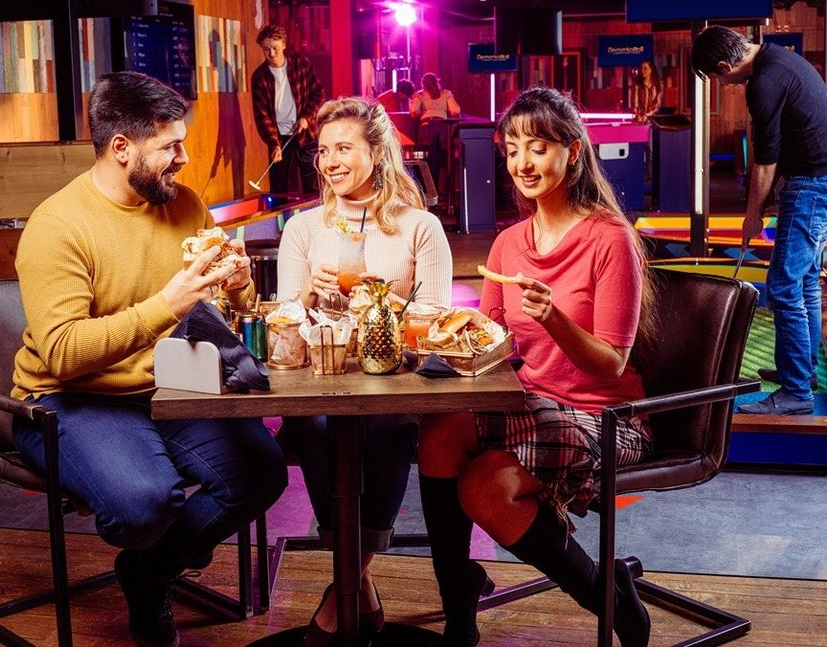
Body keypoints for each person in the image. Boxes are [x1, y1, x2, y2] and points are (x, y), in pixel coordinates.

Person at [11, 72, 288, 647]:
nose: (184, 159)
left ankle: (148, 573)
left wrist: (238, 284)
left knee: (262, 472)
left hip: (167, 388)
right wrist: (167, 304)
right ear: (121, 148)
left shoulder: (183, 204)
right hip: (72, 399)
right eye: (171, 146)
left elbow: (222, 309)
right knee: (143, 506)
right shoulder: (58, 226)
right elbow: (62, 354)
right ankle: (153, 551)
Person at [418, 87, 654, 647]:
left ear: (573, 152)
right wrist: (449, 333)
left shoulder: (611, 239)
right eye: (513, 149)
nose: (523, 163)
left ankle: (610, 599)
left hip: (606, 417)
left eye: (538, 148)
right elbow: (493, 344)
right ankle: (457, 603)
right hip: (529, 403)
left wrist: (553, 317)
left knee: (485, 487)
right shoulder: (507, 243)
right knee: (440, 433)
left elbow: (611, 363)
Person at [276, 96, 453, 645]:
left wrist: (380, 303)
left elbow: (437, 321)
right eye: (323, 150)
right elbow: (283, 325)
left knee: (389, 427)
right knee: (312, 427)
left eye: (344, 148)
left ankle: (346, 585)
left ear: (376, 153)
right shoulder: (303, 228)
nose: (330, 161)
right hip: (321, 381)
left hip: (395, 384)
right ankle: (358, 585)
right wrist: (310, 295)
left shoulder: (420, 226)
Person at [691, 26, 827, 415]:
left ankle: (796, 393)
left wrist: (752, 216)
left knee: (782, 286)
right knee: (805, 280)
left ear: (725, 66)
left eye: (716, 77)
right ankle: (802, 373)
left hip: (814, 188)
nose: (722, 84)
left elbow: (765, 160)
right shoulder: (780, 59)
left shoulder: (763, 82)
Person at [250, 23, 326, 195]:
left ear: (284, 44)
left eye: (275, 48)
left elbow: (319, 93)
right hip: (278, 137)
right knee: (279, 188)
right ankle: (279, 214)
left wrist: (307, 117)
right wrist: (274, 144)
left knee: (313, 186)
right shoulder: (259, 77)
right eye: (266, 49)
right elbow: (262, 116)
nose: (271, 54)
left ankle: (316, 212)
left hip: (307, 134)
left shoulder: (301, 64)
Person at [410, 72, 461, 199]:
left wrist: (420, 111)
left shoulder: (420, 95)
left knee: (427, 159)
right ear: (437, 82)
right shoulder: (446, 94)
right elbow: (456, 110)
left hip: (426, 127)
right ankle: (444, 193)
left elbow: (413, 111)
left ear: (423, 84)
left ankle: (429, 193)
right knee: (444, 158)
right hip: (443, 126)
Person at [630, 60, 662, 124]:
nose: (642, 70)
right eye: (641, 68)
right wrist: (638, 115)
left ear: (651, 70)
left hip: (653, 120)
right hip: (639, 120)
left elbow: (657, 103)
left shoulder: (658, 84)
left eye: (645, 68)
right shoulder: (637, 84)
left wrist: (648, 115)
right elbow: (634, 102)